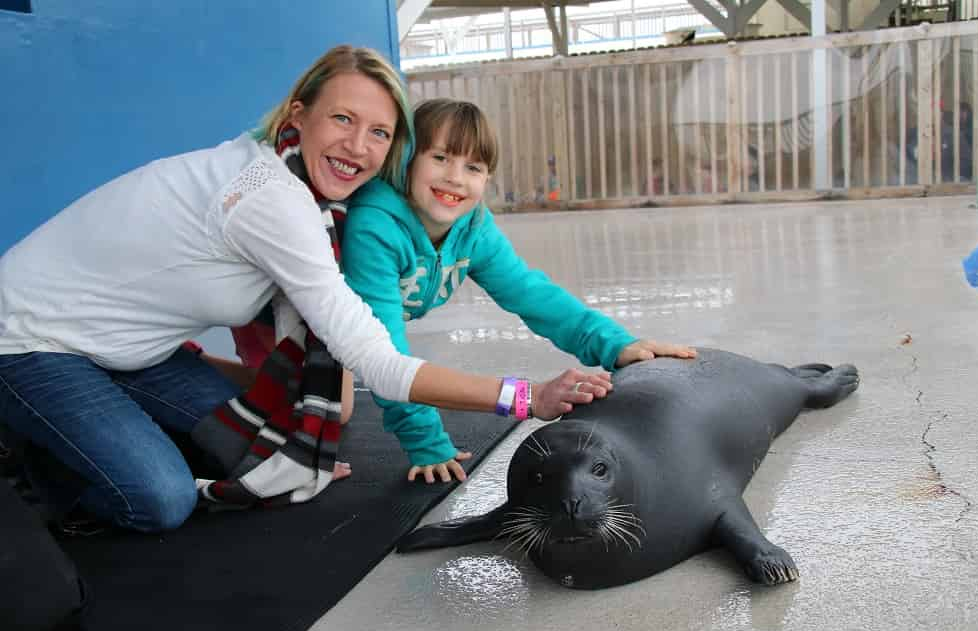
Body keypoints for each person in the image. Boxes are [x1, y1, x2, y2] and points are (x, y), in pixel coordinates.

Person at [0, 46, 612, 534]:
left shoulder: (308, 195)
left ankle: (102, 416)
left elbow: (525, 291)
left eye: (378, 132)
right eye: (342, 119)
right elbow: (379, 361)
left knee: (247, 444)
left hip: (127, 353)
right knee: (159, 500)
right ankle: (30, 458)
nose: (357, 146)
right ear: (298, 114)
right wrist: (523, 397)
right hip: (28, 338)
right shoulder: (273, 200)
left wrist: (297, 438)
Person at [340, 98, 697, 484]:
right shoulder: (374, 227)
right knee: (326, 416)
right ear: (407, 159)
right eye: (441, 157)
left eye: (473, 167)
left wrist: (617, 345)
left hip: (356, 333)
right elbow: (388, 354)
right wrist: (424, 439)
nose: (456, 177)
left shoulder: (473, 227)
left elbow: (532, 295)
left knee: (341, 411)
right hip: (309, 326)